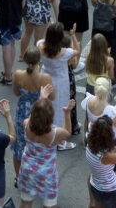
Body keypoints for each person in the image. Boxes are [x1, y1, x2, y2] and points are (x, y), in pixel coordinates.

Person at [18, 95, 74, 208]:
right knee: (50, 205)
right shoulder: (55, 134)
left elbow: (33, 116)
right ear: (50, 117)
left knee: (25, 202)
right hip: (47, 174)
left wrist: (41, 98)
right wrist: (67, 112)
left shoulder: (26, 124)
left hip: (27, 169)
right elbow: (68, 131)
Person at [38, 22, 80, 150]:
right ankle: (59, 142)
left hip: (45, 77)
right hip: (60, 81)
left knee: (46, 105)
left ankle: (45, 130)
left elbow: (43, 40)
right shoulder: (64, 52)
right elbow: (77, 50)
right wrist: (73, 36)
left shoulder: (41, 46)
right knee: (60, 108)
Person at [12, 47, 53, 178]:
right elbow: (52, 97)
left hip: (21, 111)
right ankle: (36, 176)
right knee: (38, 145)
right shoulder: (45, 78)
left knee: (19, 146)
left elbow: (16, 93)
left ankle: (18, 177)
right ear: (39, 61)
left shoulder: (18, 74)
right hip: (39, 113)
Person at [86, 116, 116, 208]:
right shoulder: (105, 156)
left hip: (95, 183)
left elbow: (106, 154)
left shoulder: (90, 143)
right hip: (108, 190)